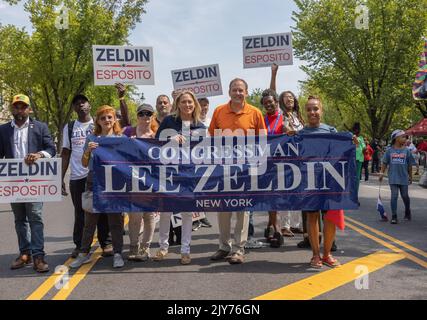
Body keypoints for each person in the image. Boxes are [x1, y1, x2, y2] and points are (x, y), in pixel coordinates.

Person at [209, 78, 267, 264]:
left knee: (243, 208)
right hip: (222, 169)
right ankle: (224, 246)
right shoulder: (218, 111)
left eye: (241, 90)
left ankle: (238, 249)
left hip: (246, 170)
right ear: (229, 92)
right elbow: (210, 139)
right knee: (223, 209)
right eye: (235, 90)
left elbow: (264, 141)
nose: (238, 93)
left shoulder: (255, 113)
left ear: (246, 93)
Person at [298, 96, 357, 268]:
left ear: (321, 111)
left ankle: (327, 254)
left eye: (315, 109)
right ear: (305, 112)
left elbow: (342, 153)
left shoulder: (331, 131)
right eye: (309, 109)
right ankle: (315, 255)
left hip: (330, 180)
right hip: (308, 180)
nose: (312, 112)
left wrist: (351, 143)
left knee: (329, 217)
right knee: (312, 216)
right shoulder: (300, 134)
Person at [0, 94, 56, 273]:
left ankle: (38, 256)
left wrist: (39, 155)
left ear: (29, 109)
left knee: (35, 218)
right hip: (13, 182)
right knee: (19, 219)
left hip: (34, 182)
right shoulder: (3, 130)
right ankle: (25, 253)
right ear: (12, 109)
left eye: (23, 107)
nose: (19, 110)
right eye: (16, 106)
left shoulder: (40, 127)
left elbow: (51, 149)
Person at [153, 91, 206, 265]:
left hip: (190, 173)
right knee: (166, 210)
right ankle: (163, 247)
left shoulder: (200, 125)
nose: (187, 105)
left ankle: (185, 250)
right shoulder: (169, 121)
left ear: (195, 104)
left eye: (190, 102)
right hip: (169, 171)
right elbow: (155, 142)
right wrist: (170, 138)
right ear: (178, 104)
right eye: (184, 102)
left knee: (187, 212)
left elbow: (208, 149)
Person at [70, 106, 125, 269]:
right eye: (103, 118)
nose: (107, 120)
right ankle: (83, 254)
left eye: (110, 117)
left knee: (115, 221)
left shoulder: (120, 138)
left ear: (114, 119)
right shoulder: (92, 138)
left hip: (115, 182)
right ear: (98, 121)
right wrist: (88, 150)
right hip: (94, 180)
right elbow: (85, 163)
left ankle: (117, 254)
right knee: (89, 221)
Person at [61, 94, 113, 259]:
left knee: (102, 210)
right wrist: (60, 177)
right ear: (74, 108)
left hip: (98, 174)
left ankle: (106, 243)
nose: (80, 105)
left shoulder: (98, 123)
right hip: (77, 176)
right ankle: (80, 246)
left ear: (89, 105)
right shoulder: (69, 127)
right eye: (76, 103)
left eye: (83, 102)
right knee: (80, 212)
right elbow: (65, 153)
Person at [270, 64, 304, 240]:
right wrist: (274, 73)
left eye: (291, 97)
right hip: (284, 158)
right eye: (286, 97)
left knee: (298, 191)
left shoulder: (299, 117)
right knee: (286, 191)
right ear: (281, 102)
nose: (289, 99)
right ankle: (284, 225)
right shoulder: (280, 115)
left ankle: (296, 224)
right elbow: (273, 94)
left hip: (299, 159)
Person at [122, 104, 157, 261]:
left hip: (151, 179)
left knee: (149, 215)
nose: (145, 116)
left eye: (148, 113)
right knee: (135, 215)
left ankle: (145, 248)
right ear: (137, 116)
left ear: (152, 116)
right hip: (132, 178)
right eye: (142, 113)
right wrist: (128, 143)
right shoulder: (128, 131)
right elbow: (117, 150)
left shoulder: (156, 135)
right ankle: (133, 246)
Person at [379, 130, 414, 224]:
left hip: (403, 177)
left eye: (405, 137)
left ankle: (407, 210)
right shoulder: (389, 150)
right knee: (394, 196)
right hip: (393, 177)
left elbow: (410, 165)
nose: (405, 139)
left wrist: (410, 176)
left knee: (405, 196)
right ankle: (394, 216)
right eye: (403, 137)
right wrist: (381, 173)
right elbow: (384, 163)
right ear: (396, 139)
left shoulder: (407, 150)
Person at [352, 123, 365, 206]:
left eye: (358, 129)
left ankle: (355, 198)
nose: (357, 131)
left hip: (359, 160)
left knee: (356, 179)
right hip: (351, 160)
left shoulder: (361, 138)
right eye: (356, 129)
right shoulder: (350, 137)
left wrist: (359, 143)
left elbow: (364, 147)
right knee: (351, 179)